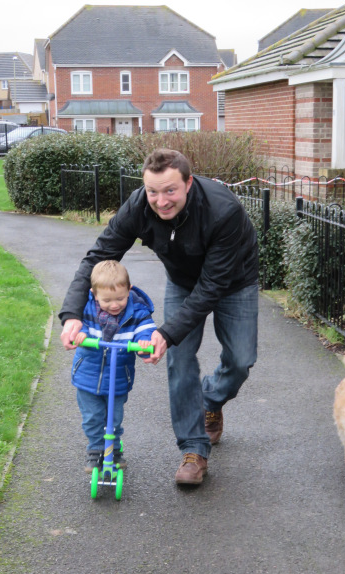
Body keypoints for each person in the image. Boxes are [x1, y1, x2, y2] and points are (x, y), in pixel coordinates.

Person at [60, 148, 259, 486]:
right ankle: (194, 450)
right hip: (182, 281)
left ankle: (209, 399)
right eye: (153, 191)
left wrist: (166, 332)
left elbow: (211, 287)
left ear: (188, 183)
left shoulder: (223, 212)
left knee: (241, 360)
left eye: (170, 191)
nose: (161, 201)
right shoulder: (138, 206)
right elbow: (97, 257)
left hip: (232, 282)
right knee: (179, 361)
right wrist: (72, 314)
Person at [71, 260, 155, 472]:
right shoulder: (87, 308)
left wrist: (145, 343)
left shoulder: (138, 312)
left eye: (120, 298)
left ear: (129, 289)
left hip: (118, 377)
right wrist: (81, 334)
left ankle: (114, 450)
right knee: (92, 418)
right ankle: (95, 450)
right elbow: (79, 324)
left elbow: (146, 331)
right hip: (88, 377)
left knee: (114, 419)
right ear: (94, 294)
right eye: (107, 300)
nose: (115, 304)